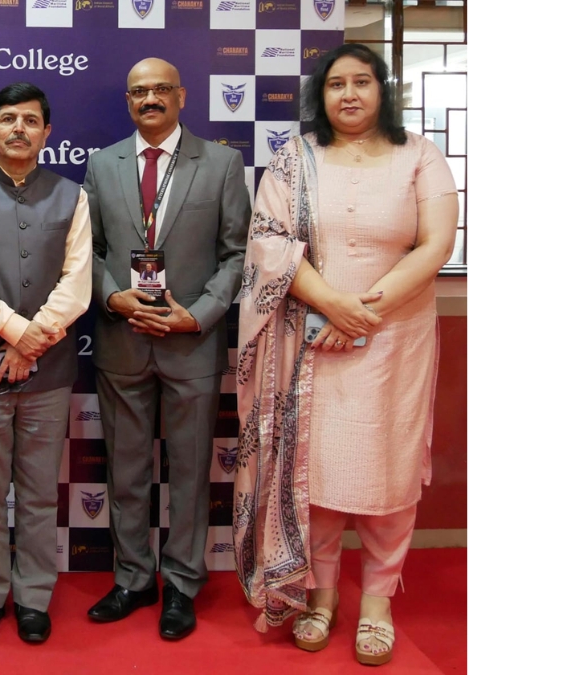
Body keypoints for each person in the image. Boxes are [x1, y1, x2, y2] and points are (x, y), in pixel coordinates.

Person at [231, 43, 458, 667]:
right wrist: (333, 305)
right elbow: (270, 243)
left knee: (388, 472)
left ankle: (378, 603)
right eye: (336, 84)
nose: (350, 94)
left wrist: (361, 315)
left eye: (362, 81)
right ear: (321, 95)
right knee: (318, 475)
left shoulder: (420, 156)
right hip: (311, 341)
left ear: (383, 90)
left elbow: (436, 245)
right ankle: (321, 597)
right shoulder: (295, 159)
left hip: (395, 341)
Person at [83, 58, 250, 640]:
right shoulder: (102, 165)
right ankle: (133, 579)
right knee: (126, 472)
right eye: (138, 92)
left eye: (160, 89)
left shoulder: (222, 164)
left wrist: (197, 315)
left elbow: (237, 254)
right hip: (121, 341)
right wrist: (113, 298)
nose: (149, 99)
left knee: (190, 474)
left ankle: (181, 583)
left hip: (191, 346)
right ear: (128, 101)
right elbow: (87, 250)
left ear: (181, 96)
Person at [0, 82, 92, 645]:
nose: (19, 129)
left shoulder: (73, 196)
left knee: (38, 493)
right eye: (8, 119)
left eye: (30, 120)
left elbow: (77, 282)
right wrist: (16, 334)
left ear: (47, 132)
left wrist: (30, 343)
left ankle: (33, 597)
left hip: (49, 372)